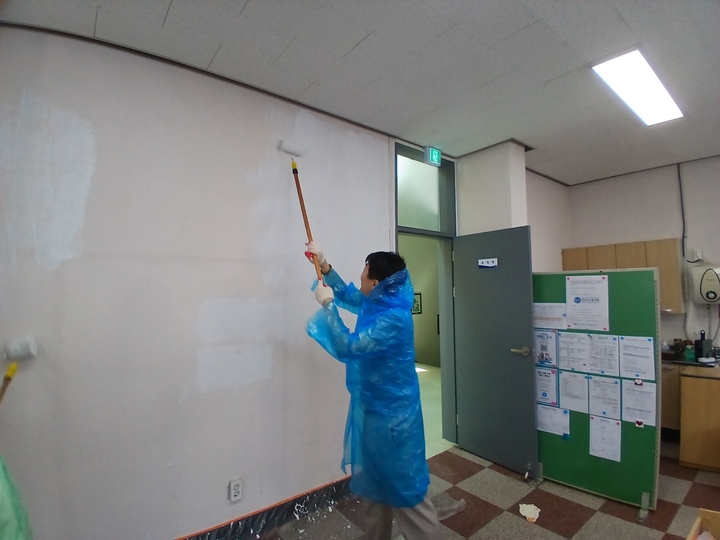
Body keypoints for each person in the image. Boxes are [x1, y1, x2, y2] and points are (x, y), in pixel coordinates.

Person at [304, 241, 442, 540]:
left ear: (377, 282)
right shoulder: (379, 302)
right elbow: (351, 295)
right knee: (374, 491)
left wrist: (328, 307)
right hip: (374, 414)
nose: (361, 275)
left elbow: (349, 346)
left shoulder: (392, 318)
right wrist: (324, 266)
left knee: (407, 496)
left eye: (365, 271)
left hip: (394, 424)